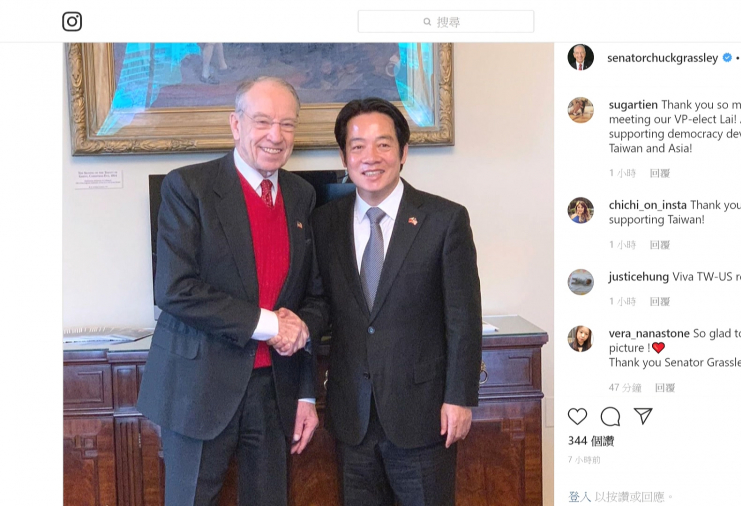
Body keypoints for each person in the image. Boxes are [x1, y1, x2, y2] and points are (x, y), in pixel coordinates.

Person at [136, 76, 327, 506]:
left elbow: (313, 298)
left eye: (287, 124)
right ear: (236, 125)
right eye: (263, 121)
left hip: (273, 391)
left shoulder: (301, 195)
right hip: (198, 388)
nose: (276, 135)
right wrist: (270, 325)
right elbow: (175, 289)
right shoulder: (189, 187)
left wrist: (306, 389)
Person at [311, 97, 482, 506]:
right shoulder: (325, 222)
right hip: (352, 417)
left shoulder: (444, 219)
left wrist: (460, 398)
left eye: (383, 144)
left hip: (424, 416)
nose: (370, 157)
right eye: (357, 146)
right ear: (344, 157)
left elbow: (463, 318)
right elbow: (320, 301)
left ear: (403, 152)